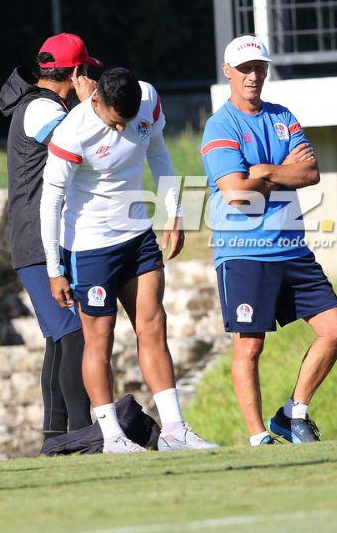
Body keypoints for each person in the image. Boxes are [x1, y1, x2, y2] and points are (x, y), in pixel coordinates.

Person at [39, 67, 216, 453]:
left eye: (128, 123)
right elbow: (50, 203)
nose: (122, 131)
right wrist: (55, 269)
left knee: (153, 325)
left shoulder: (147, 99)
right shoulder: (73, 131)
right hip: (90, 247)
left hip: (137, 236)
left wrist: (174, 211)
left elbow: (158, 152)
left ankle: (174, 429)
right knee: (99, 341)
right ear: (96, 101)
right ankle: (112, 436)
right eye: (115, 122)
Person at [201, 35, 337, 447]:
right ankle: (256, 437)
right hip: (244, 252)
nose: (253, 76)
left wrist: (263, 170)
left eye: (259, 67)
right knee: (249, 347)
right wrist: (277, 170)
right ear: (228, 72)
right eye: (245, 68)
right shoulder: (220, 125)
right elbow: (236, 194)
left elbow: (310, 173)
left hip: (292, 248)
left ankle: (293, 412)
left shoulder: (283, 116)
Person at [0, 33, 100, 444]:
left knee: (59, 338)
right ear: (75, 72)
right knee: (73, 333)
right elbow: (86, 145)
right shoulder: (42, 109)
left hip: (39, 240)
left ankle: (56, 434)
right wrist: (93, 104)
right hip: (37, 241)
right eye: (86, 71)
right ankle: (81, 431)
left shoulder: (41, 105)